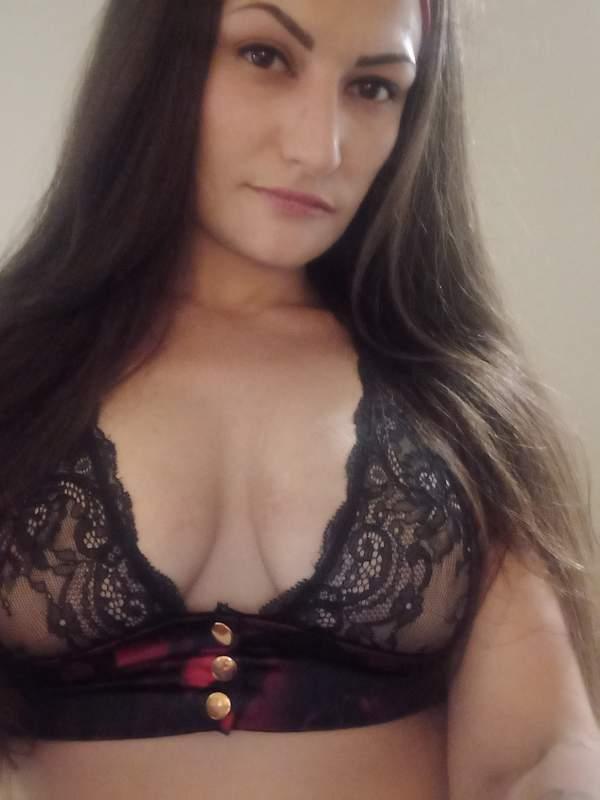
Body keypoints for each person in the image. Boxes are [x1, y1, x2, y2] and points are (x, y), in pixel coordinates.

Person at [0, 0, 599, 798]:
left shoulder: (457, 401)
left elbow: (536, 753)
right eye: (265, 56)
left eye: (374, 88)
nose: (321, 147)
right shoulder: (19, 379)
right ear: (157, 58)